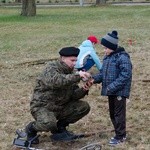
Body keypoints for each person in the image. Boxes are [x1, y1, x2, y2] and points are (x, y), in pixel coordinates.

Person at [25, 47, 93, 144]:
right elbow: (57, 81)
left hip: (61, 106)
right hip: (43, 106)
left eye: (76, 60)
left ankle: (60, 129)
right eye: (72, 60)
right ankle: (31, 129)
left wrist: (84, 89)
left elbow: (74, 95)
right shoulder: (51, 68)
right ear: (62, 58)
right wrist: (78, 76)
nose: (74, 63)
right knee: (48, 124)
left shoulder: (71, 73)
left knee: (83, 107)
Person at [92, 30, 132, 146]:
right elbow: (103, 74)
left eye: (105, 48)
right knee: (113, 113)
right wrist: (93, 79)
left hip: (119, 91)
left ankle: (121, 136)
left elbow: (125, 75)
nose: (104, 51)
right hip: (111, 91)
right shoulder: (108, 57)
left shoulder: (122, 57)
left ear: (112, 47)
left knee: (119, 114)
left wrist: (112, 87)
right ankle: (118, 133)